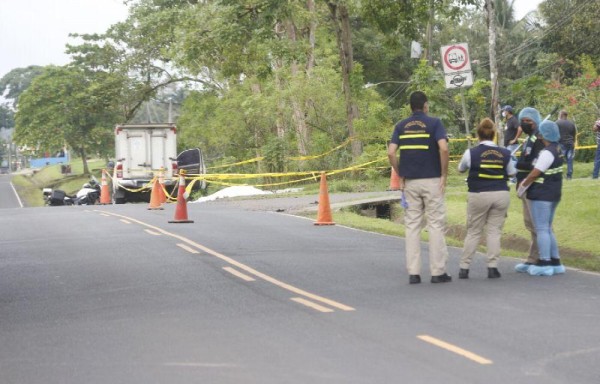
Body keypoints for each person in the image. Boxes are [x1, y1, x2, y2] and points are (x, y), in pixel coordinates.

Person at [387, 91, 451, 284]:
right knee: (435, 224)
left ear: (410, 107)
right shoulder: (435, 123)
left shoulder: (401, 126)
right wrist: (444, 174)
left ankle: (414, 273)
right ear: (425, 106)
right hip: (432, 180)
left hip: (410, 183)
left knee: (412, 225)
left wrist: (400, 173)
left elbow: (391, 152)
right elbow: (444, 148)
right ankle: (437, 271)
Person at [457, 118, 516, 279]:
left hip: (478, 194)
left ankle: (464, 267)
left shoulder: (471, 152)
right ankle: (492, 267)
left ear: (478, 134)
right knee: (494, 231)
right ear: (494, 134)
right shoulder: (505, 153)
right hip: (500, 194)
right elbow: (512, 173)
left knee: (474, 231)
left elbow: (461, 169)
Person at [517, 120, 566, 276]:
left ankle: (544, 262)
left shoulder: (546, 153)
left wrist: (523, 186)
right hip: (554, 193)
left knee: (542, 229)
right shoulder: (558, 149)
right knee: (548, 228)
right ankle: (555, 260)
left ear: (544, 135)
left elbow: (535, 173)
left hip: (542, 194)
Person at [514, 107, 546, 273]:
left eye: (529, 121)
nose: (526, 124)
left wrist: (517, 164)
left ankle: (543, 257)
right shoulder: (528, 140)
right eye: (523, 121)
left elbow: (536, 164)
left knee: (538, 224)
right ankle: (533, 256)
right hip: (524, 187)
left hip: (534, 186)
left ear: (536, 121)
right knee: (530, 224)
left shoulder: (540, 140)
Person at [556, 110, 577, 180]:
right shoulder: (571, 123)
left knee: (559, 160)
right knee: (569, 160)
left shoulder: (557, 123)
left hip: (561, 144)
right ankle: (569, 176)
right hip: (570, 144)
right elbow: (574, 134)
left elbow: (554, 133)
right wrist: (573, 142)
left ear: (561, 115)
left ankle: (558, 175)